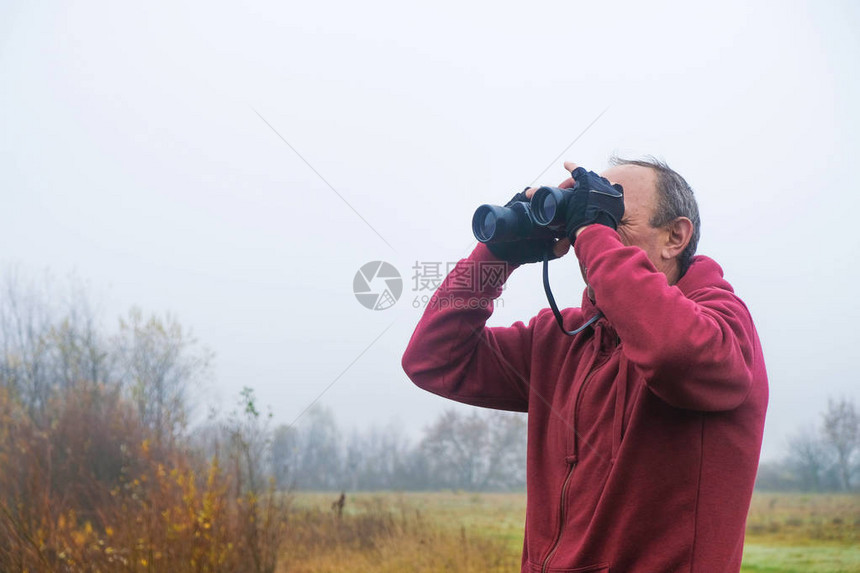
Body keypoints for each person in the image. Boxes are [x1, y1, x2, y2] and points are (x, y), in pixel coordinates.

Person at [401, 157, 768, 573]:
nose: (583, 239)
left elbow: (670, 352)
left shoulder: (723, 326)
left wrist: (593, 231)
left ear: (675, 237)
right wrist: (495, 256)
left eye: (611, 216)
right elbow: (432, 358)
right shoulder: (561, 341)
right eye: (587, 215)